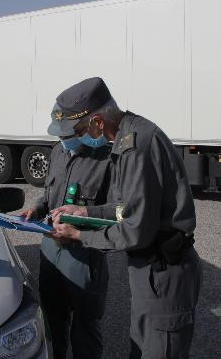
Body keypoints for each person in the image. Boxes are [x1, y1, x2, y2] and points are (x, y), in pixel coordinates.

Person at [48, 77, 202, 359]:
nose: (79, 137)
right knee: (142, 347)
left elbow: (135, 231)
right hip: (149, 270)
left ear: (96, 121)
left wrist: (78, 235)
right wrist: (86, 211)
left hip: (164, 270)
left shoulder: (136, 147)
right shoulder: (127, 137)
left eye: (80, 129)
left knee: (159, 351)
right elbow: (125, 207)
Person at [21, 102, 112, 359]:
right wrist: (36, 209)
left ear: (84, 129)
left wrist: (79, 225)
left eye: (67, 135)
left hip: (83, 253)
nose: (63, 140)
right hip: (51, 250)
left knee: (85, 329)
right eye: (59, 135)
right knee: (53, 323)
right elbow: (49, 194)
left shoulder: (107, 160)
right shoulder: (57, 152)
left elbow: (117, 212)